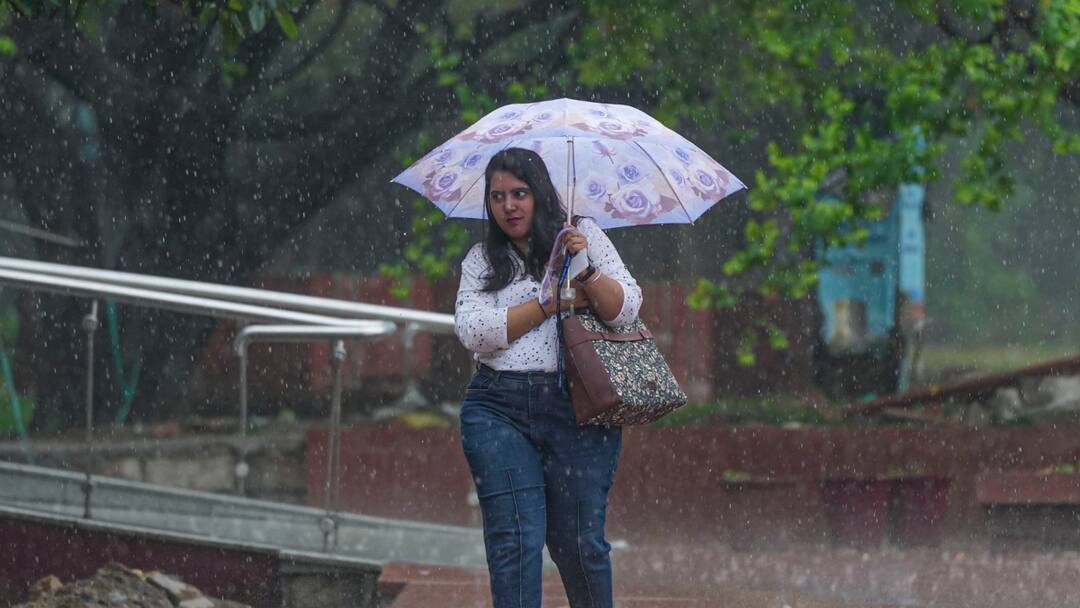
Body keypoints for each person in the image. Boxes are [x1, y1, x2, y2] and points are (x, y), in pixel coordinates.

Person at [454, 147, 642, 608]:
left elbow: (626, 311)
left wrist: (586, 269)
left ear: (539, 194)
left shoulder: (584, 236)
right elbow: (475, 332)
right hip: (499, 409)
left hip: (578, 407)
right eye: (497, 197)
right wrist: (549, 304)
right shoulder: (482, 259)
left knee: (579, 546)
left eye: (519, 193)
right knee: (515, 542)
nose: (509, 206)